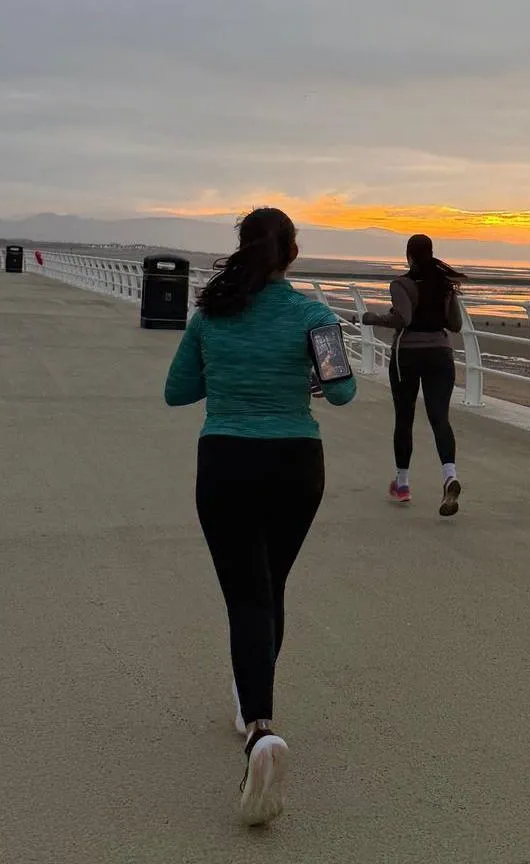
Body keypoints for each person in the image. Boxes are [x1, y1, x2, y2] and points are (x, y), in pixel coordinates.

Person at [163, 207, 356, 826]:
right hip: (298, 464)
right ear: (291, 254)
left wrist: (228, 372)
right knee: (269, 588)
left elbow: (177, 391)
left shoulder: (210, 315)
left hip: (226, 461)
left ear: (243, 250)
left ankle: (260, 730)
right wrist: (299, 380)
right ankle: (252, 710)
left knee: (246, 596)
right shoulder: (315, 317)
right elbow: (344, 390)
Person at [362, 234, 464, 516]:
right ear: (431, 253)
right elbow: (455, 324)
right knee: (439, 418)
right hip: (441, 355)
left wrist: (375, 319)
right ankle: (449, 476)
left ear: (408, 256)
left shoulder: (401, 284)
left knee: (404, 417)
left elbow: (403, 319)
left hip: (406, 355)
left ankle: (403, 484)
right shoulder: (445, 286)